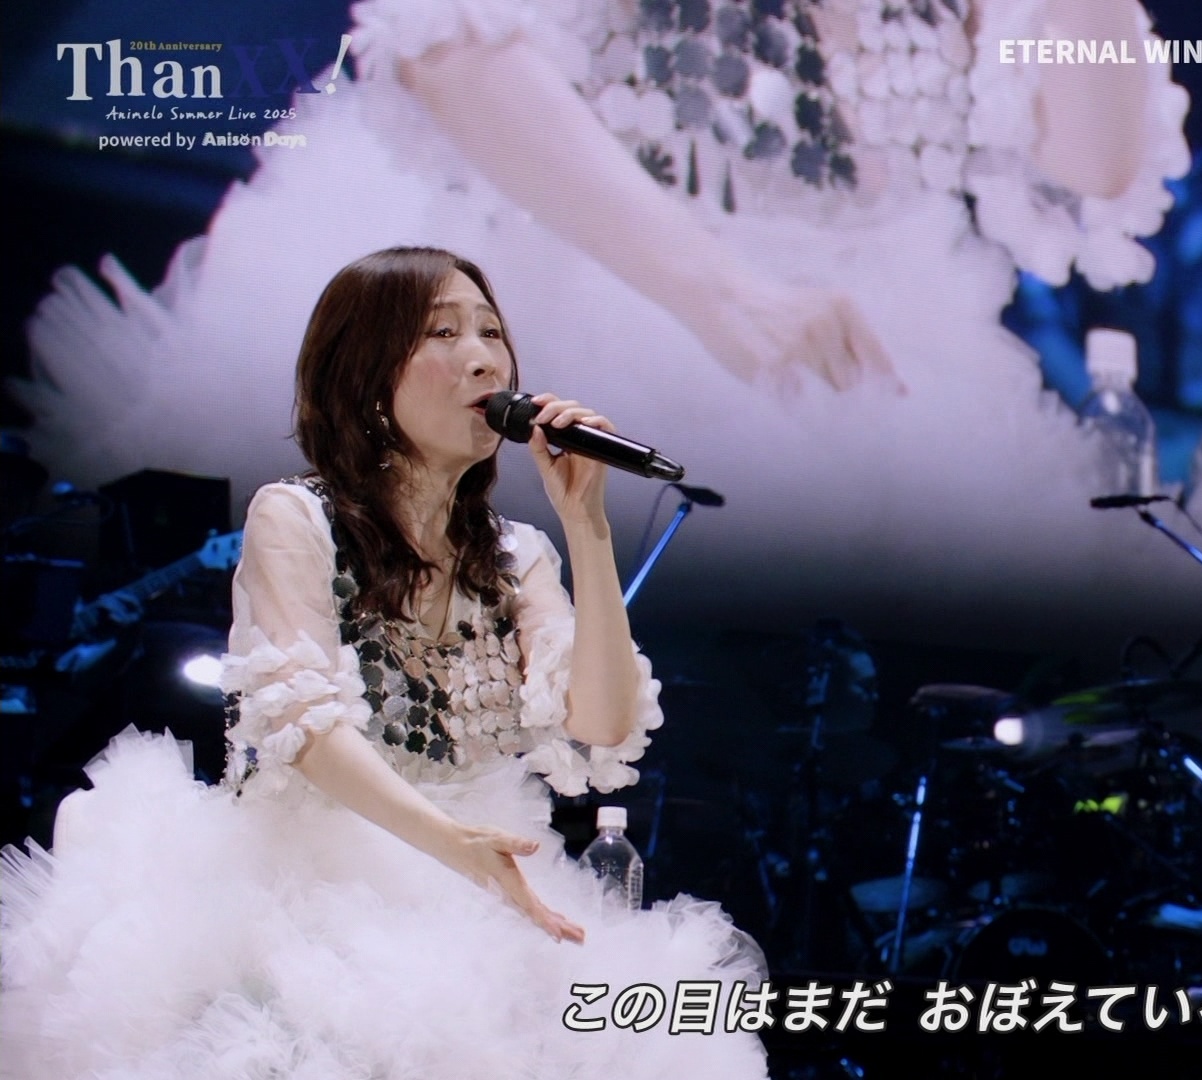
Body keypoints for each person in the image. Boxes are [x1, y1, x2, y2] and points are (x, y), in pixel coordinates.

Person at [19, 0, 1202, 658]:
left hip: (869, 369)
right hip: (585, 298)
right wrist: (718, 292)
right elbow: (451, 42)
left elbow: (1096, 160)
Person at [0, 248, 769, 1079]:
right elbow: (305, 725)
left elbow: (605, 724)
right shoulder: (294, 516)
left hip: (490, 897)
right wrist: (450, 844)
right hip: (306, 890)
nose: (485, 358)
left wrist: (588, 524)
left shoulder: (521, 555)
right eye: (444, 332)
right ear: (366, 378)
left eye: (492, 333)